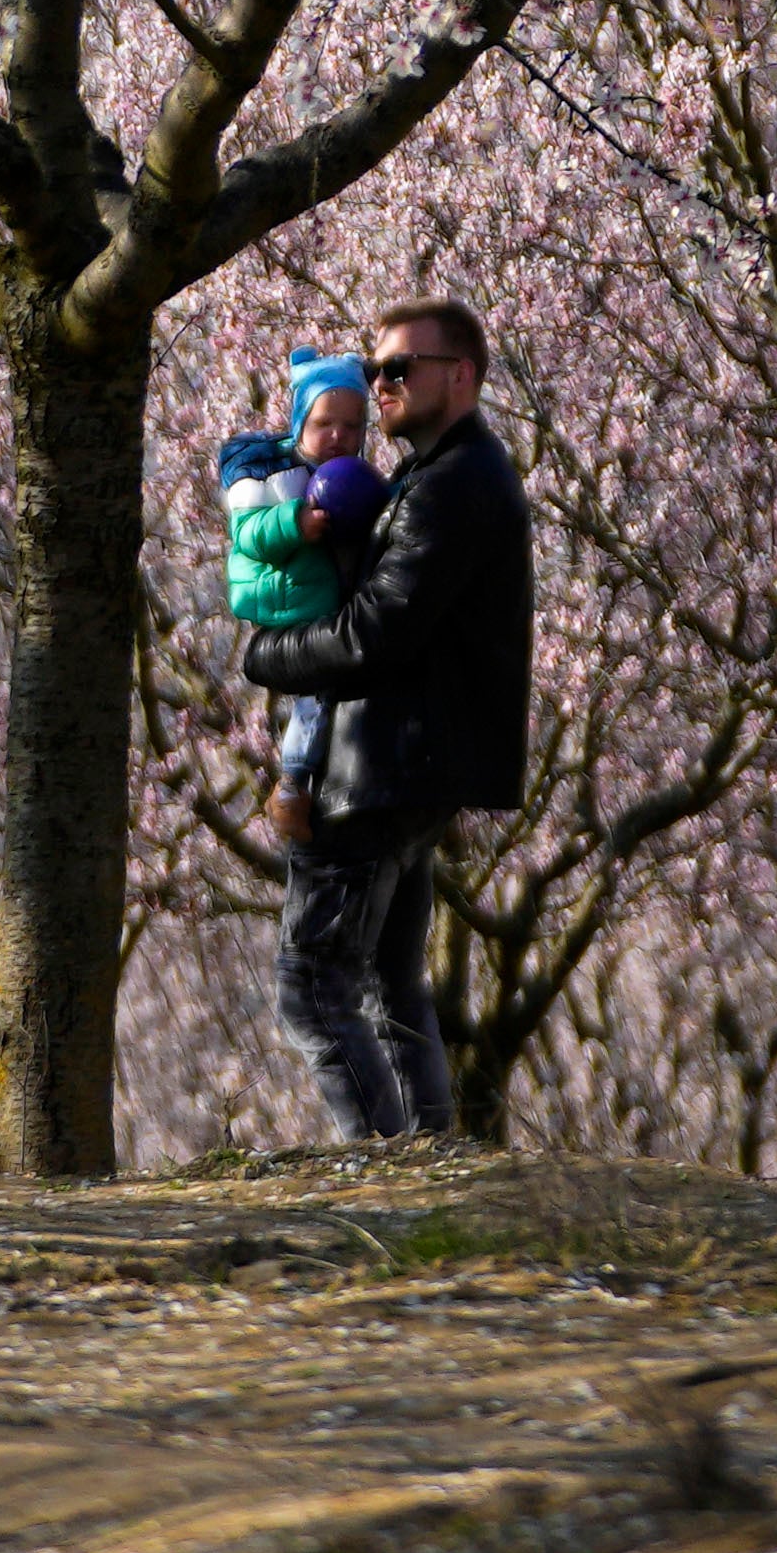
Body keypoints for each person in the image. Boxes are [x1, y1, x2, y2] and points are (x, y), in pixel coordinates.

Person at [228, 297, 529, 1143]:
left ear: (460, 375)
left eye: (401, 368)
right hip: (405, 768)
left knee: (313, 986)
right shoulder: (439, 476)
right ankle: (428, 1163)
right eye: (373, 369)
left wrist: (265, 654)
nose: (381, 384)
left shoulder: (454, 485)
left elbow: (372, 633)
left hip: (383, 772)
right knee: (394, 985)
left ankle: (386, 1171)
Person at [214, 348, 385, 654]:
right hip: (291, 608)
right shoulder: (271, 474)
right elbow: (249, 534)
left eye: (351, 426)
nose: (337, 435)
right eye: (323, 424)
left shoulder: (353, 476)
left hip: (336, 611)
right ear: (300, 424)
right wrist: (293, 523)